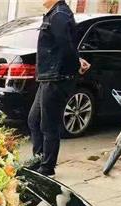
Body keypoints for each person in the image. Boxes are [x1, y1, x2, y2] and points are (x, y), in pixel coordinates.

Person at [27, 0, 90, 176]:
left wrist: (75, 65)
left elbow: (67, 46)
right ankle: (38, 159)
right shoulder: (55, 13)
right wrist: (77, 60)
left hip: (56, 78)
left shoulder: (59, 15)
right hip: (48, 76)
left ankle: (47, 167)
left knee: (49, 125)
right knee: (34, 120)